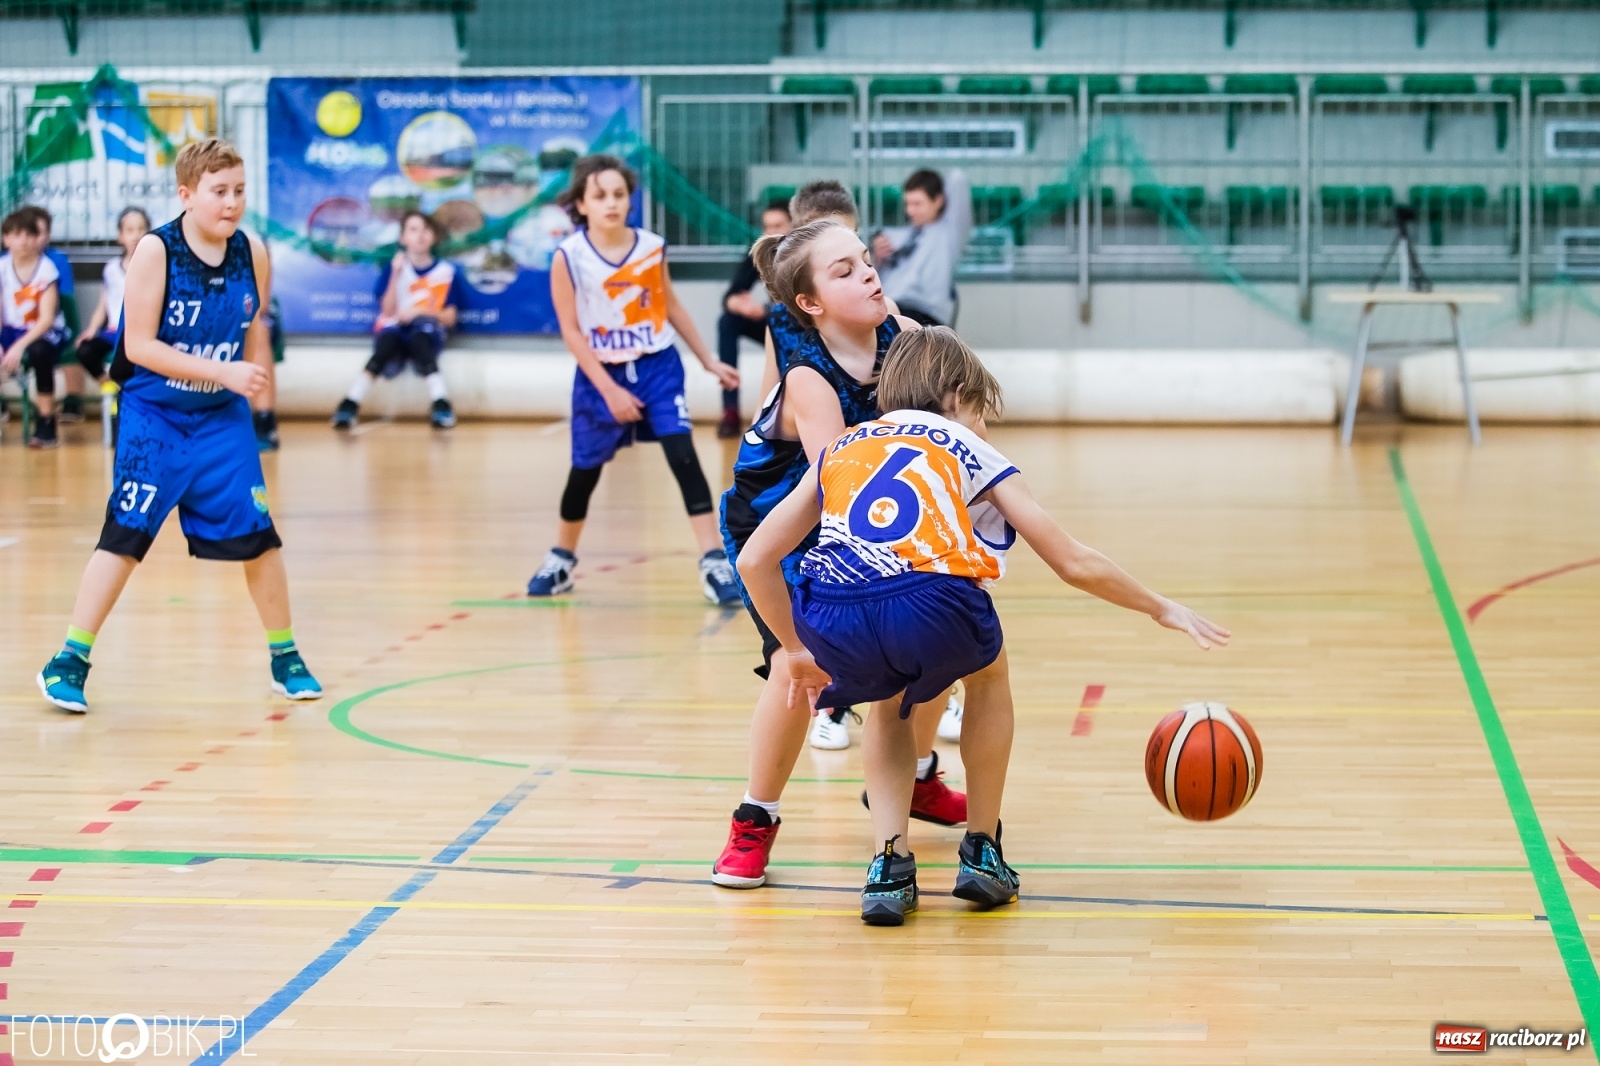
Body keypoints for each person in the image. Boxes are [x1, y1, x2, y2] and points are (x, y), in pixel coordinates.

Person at [738, 326, 1231, 924]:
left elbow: (754, 559)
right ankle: (981, 851)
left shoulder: (843, 446)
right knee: (988, 674)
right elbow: (1072, 561)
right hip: (929, 602)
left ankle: (889, 866)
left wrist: (791, 648)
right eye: (981, 411)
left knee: (891, 702)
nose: (985, 426)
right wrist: (1159, 605)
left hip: (834, 610)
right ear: (955, 396)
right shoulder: (964, 444)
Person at [711, 217, 964, 891]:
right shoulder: (810, 378)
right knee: (796, 670)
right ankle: (754, 818)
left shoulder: (906, 338)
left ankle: (914, 780)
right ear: (811, 305)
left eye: (865, 261)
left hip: (872, 517)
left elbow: (953, 427)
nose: (869, 273)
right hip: (785, 524)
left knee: (941, 643)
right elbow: (839, 482)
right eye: (845, 270)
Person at [35, 139, 322, 714]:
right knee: (126, 535)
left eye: (240, 191)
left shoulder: (253, 253)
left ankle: (285, 655)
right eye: (220, 192)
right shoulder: (154, 251)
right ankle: (68, 659)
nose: (232, 203)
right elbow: (138, 347)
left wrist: (254, 386)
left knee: (258, 536)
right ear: (187, 195)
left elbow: (250, 327)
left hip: (220, 416)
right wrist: (225, 370)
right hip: (154, 414)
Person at [524, 155, 742, 606]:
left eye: (619, 194)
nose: (611, 203)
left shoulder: (650, 247)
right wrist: (609, 390)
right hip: (600, 374)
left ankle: (713, 562)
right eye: (599, 195)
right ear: (581, 204)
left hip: (658, 366)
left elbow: (672, 307)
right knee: (584, 471)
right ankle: (561, 559)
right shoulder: (570, 257)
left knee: (684, 457)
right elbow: (571, 330)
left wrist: (708, 360)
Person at [332, 210, 465, 431]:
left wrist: (419, 313)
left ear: (433, 236)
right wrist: (395, 274)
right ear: (403, 238)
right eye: (413, 230)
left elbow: (450, 317)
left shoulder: (446, 272)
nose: (420, 236)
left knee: (421, 338)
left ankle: (441, 404)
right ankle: (350, 403)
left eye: (425, 229)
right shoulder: (393, 269)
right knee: (387, 343)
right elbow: (387, 309)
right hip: (395, 331)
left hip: (426, 333)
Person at [716, 199, 790, 438]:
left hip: (799, 326)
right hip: (773, 322)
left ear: (793, 224)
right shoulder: (761, 251)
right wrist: (737, 303)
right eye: (767, 226)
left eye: (778, 224)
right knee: (727, 321)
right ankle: (730, 410)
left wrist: (767, 310)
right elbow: (732, 293)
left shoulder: (802, 253)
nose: (772, 232)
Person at [1, 208, 68, 449]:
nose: (24, 241)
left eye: (30, 235)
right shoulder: (2, 267)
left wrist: (19, 346)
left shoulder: (47, 269)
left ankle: (47, 421)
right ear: (6, 238)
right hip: (11, 329)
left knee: (40, 352)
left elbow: (46, 319)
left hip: (44, 331)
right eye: (17, 235)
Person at [870, 169, 971, 328]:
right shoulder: (898, 236)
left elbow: (958, 178)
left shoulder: (949, 233)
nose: (910, 211)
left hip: (924, 313)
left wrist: (931, 180)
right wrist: (878, 259)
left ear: (938, 201)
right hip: (890, 307)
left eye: (917, 204)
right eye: (907, 204)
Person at [74, 207, 150, 387]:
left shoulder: (155, 265)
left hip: (140, 332)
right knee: (85, 351)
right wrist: (91, 329)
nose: (136, 235)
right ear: (120, 236)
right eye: (130, 230)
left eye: (141, 229)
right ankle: (110, 385)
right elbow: (104, 304)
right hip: (113, 331)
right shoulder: (111, 269)